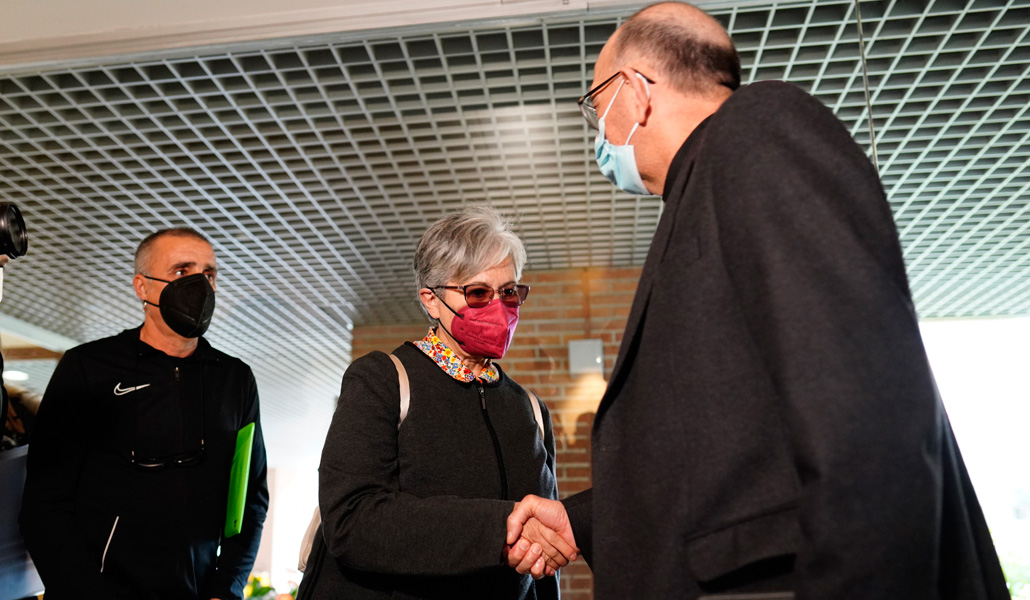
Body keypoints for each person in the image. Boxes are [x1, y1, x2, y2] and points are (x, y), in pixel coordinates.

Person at [506, 3, 1011, 599]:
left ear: (637, 93)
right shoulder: (705, 189)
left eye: (598, 104)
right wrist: (583, 521)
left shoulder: (758, 130)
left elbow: (865, 408)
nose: (600, 133)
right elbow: (732, 443)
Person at [297, 205, 573, 600]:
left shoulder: (530, 409)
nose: (498, 308)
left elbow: (543, 562)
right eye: (478, 293)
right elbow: (351, 520)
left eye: (509, 292)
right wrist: (502, 526)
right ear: (431, 299)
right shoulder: (383, 379)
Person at [20, 227, 268, 600]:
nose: (200, 285)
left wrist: (226, 589)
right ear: (142, 287)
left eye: (209, 273)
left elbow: (251, 500)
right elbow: (45, 501)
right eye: (182, 271)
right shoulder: (88, 367)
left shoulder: (235, 379)